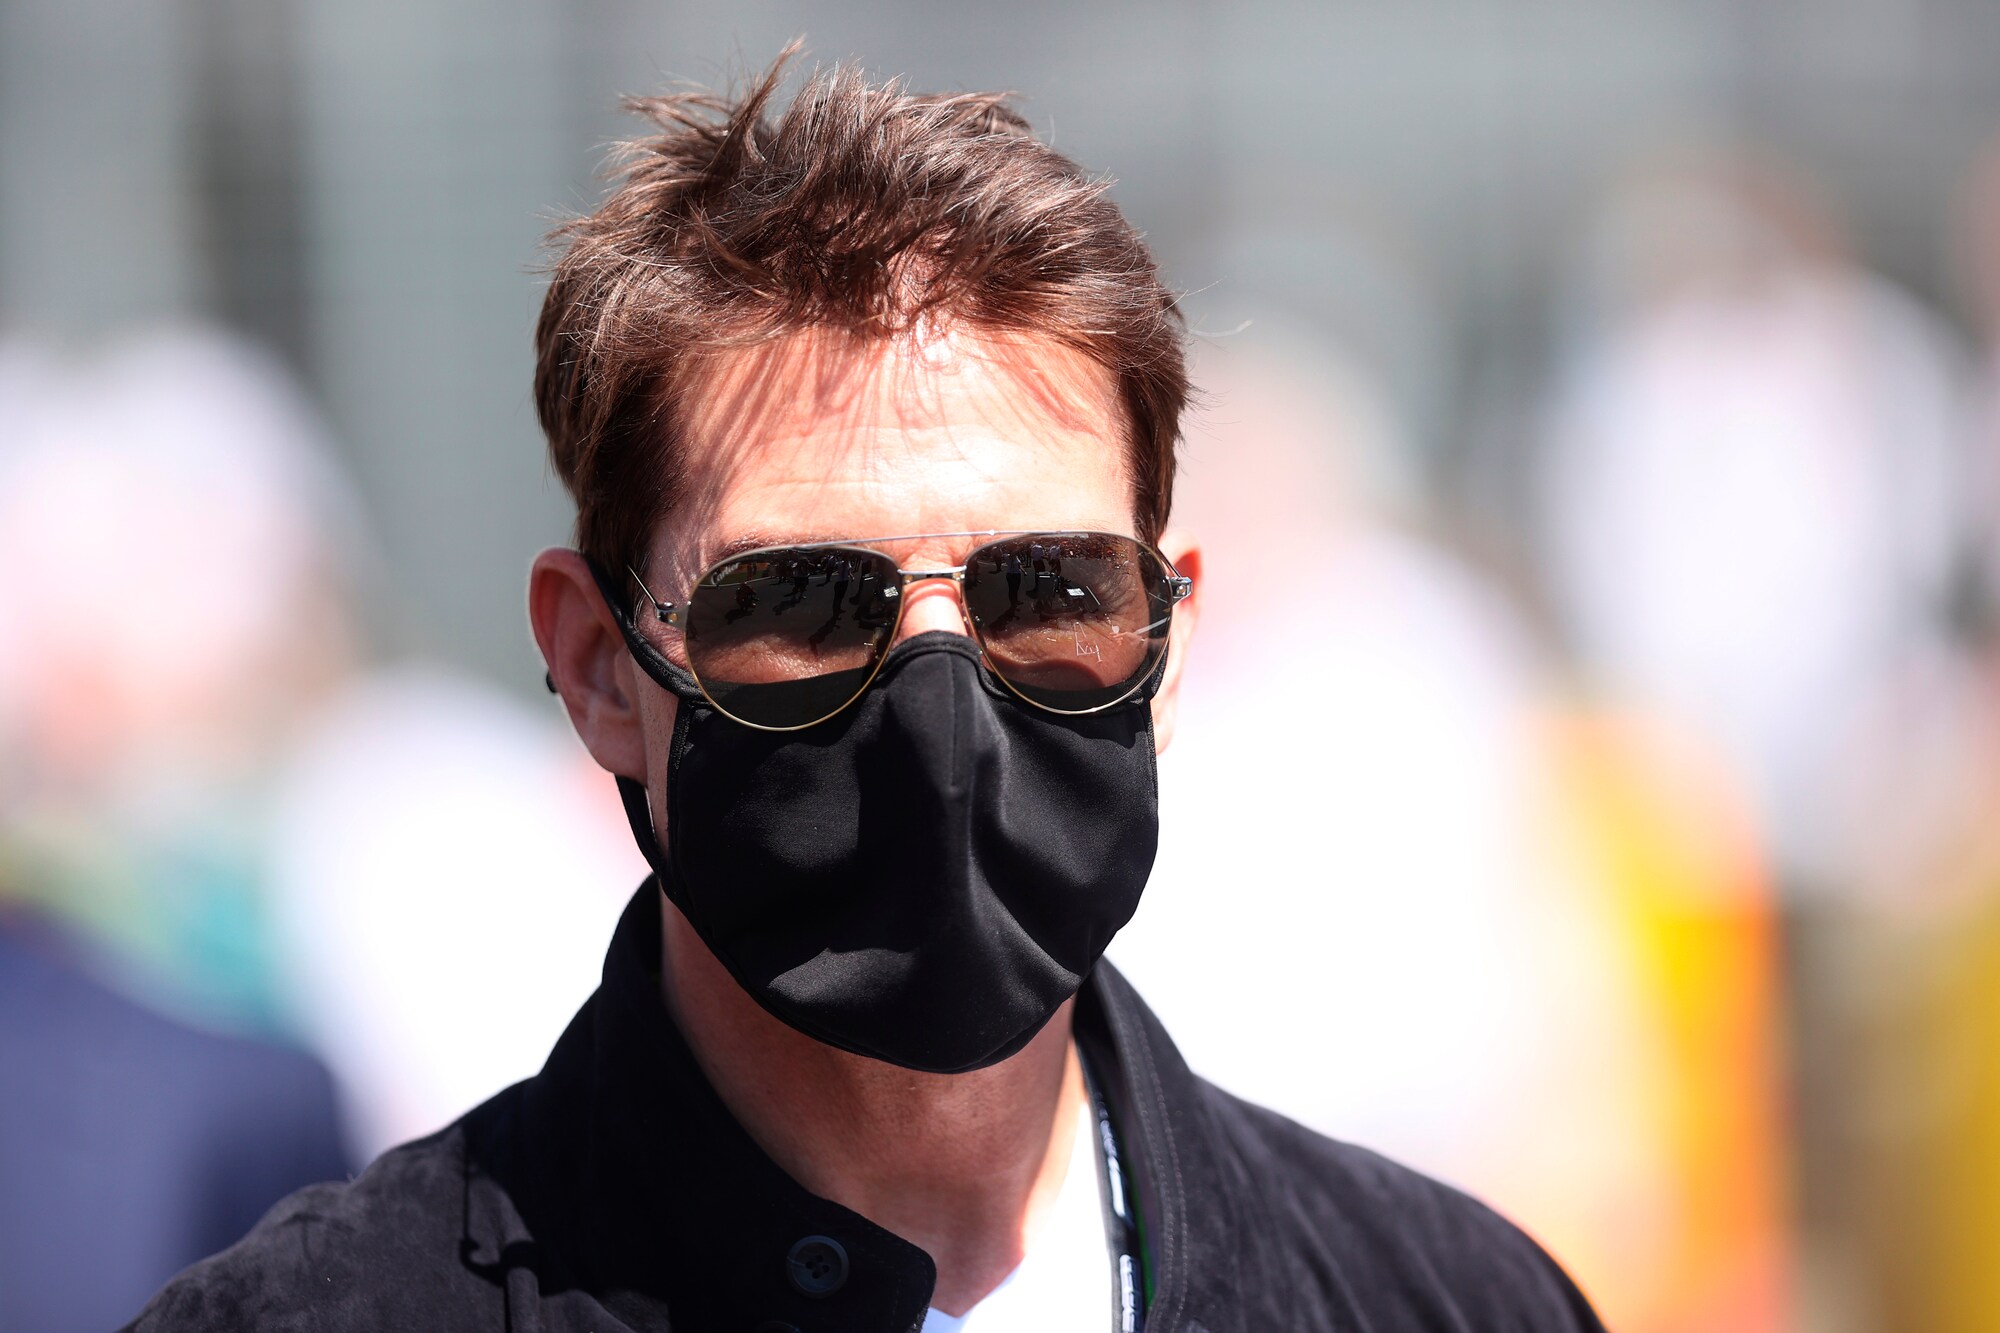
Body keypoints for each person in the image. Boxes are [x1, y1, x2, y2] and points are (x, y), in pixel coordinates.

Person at [127, 55, 1606, 1332]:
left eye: (1051, 592)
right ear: (597, 667)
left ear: (1169, 640)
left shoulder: (1449, 1300)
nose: (943, 723)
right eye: (803, 603)